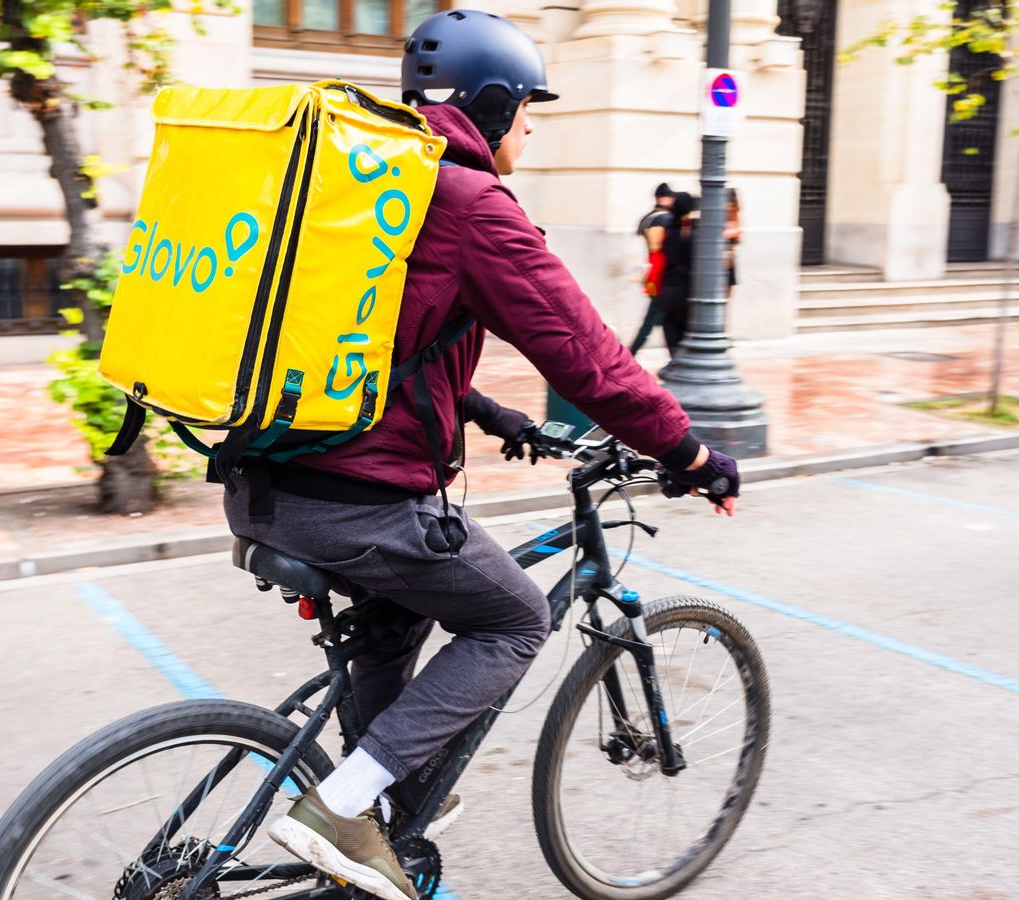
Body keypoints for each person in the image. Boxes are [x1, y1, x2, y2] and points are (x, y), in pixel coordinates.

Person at [245, 11, 741, 900]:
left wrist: (480, 409)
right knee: (514, 618)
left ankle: (378, 821)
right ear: (493, 103)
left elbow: (363, 347)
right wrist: (693, 453)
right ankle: (345, 805)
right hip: (357, 500)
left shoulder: (370, 184)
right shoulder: (470, 202)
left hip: (267, 481)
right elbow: (590, 360)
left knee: (397, 624)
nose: (532, 127)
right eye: (528, 109)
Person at [629, 183, 677, 355]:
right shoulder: (663, 219)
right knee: (652, 322)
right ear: (662, 198)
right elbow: (659, 252)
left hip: (651, 275)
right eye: (670, 196)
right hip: (659, 275)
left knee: (663, 320)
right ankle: (629, 355)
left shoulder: (648, 218)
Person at [657, 191, 698, 354]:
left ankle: (675, 360)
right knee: (685, 330)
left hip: (668, 288)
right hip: (686, 290)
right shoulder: (694, 233)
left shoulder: (668, 230)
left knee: (670, 328)